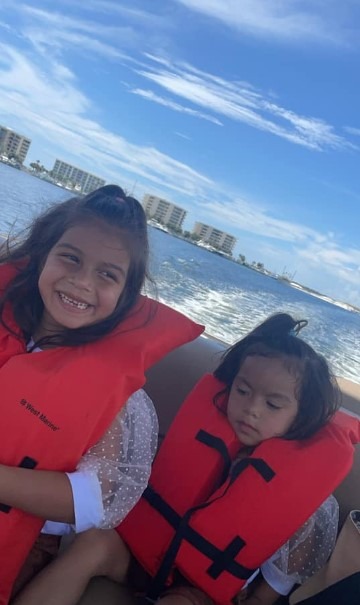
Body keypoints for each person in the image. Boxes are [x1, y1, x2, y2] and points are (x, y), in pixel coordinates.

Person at [14, 313, 360, 605]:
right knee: (90, 545)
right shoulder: (200, 431)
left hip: (197, 589)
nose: (252, 409)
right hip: (139, 552)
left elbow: (271, 589)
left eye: (272, 404)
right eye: (242, 390)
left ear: (301, 416)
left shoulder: (307, 504)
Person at [0, 184, 203, 603]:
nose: (80, 282)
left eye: (106, 274)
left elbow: (93, 500)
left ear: (126, 295)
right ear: (43, 254)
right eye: (70, 258)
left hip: (19, 534)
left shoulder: (115, 393)